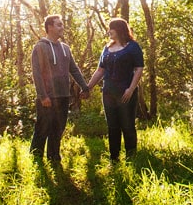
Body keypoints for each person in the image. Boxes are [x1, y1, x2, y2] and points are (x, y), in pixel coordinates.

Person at [30, 14, 90, 163]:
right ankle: (35, 159)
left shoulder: (65, 48)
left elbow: (74, 70)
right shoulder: (40, 47)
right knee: (42, 128)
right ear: (49, 27)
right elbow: (36, 73)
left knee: (58, 128)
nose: (62, 27)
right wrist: (43, 95)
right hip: (48, 97)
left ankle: (53, 157)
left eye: (62, 24)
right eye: (59, 24)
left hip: (63, 96)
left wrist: (85, 86)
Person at [86, 18, 144, 162]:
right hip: (108, 94)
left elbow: (139, 69)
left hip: (125, 93)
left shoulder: (133, 47)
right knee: (112, 126)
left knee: (127, 125)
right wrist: (88, 87)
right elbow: (100, 70)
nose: (108, 31)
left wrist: (131, 89)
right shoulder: (106, 48)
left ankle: (131, 158)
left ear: (119, 29)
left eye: (111, 28)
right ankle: (114, 158)